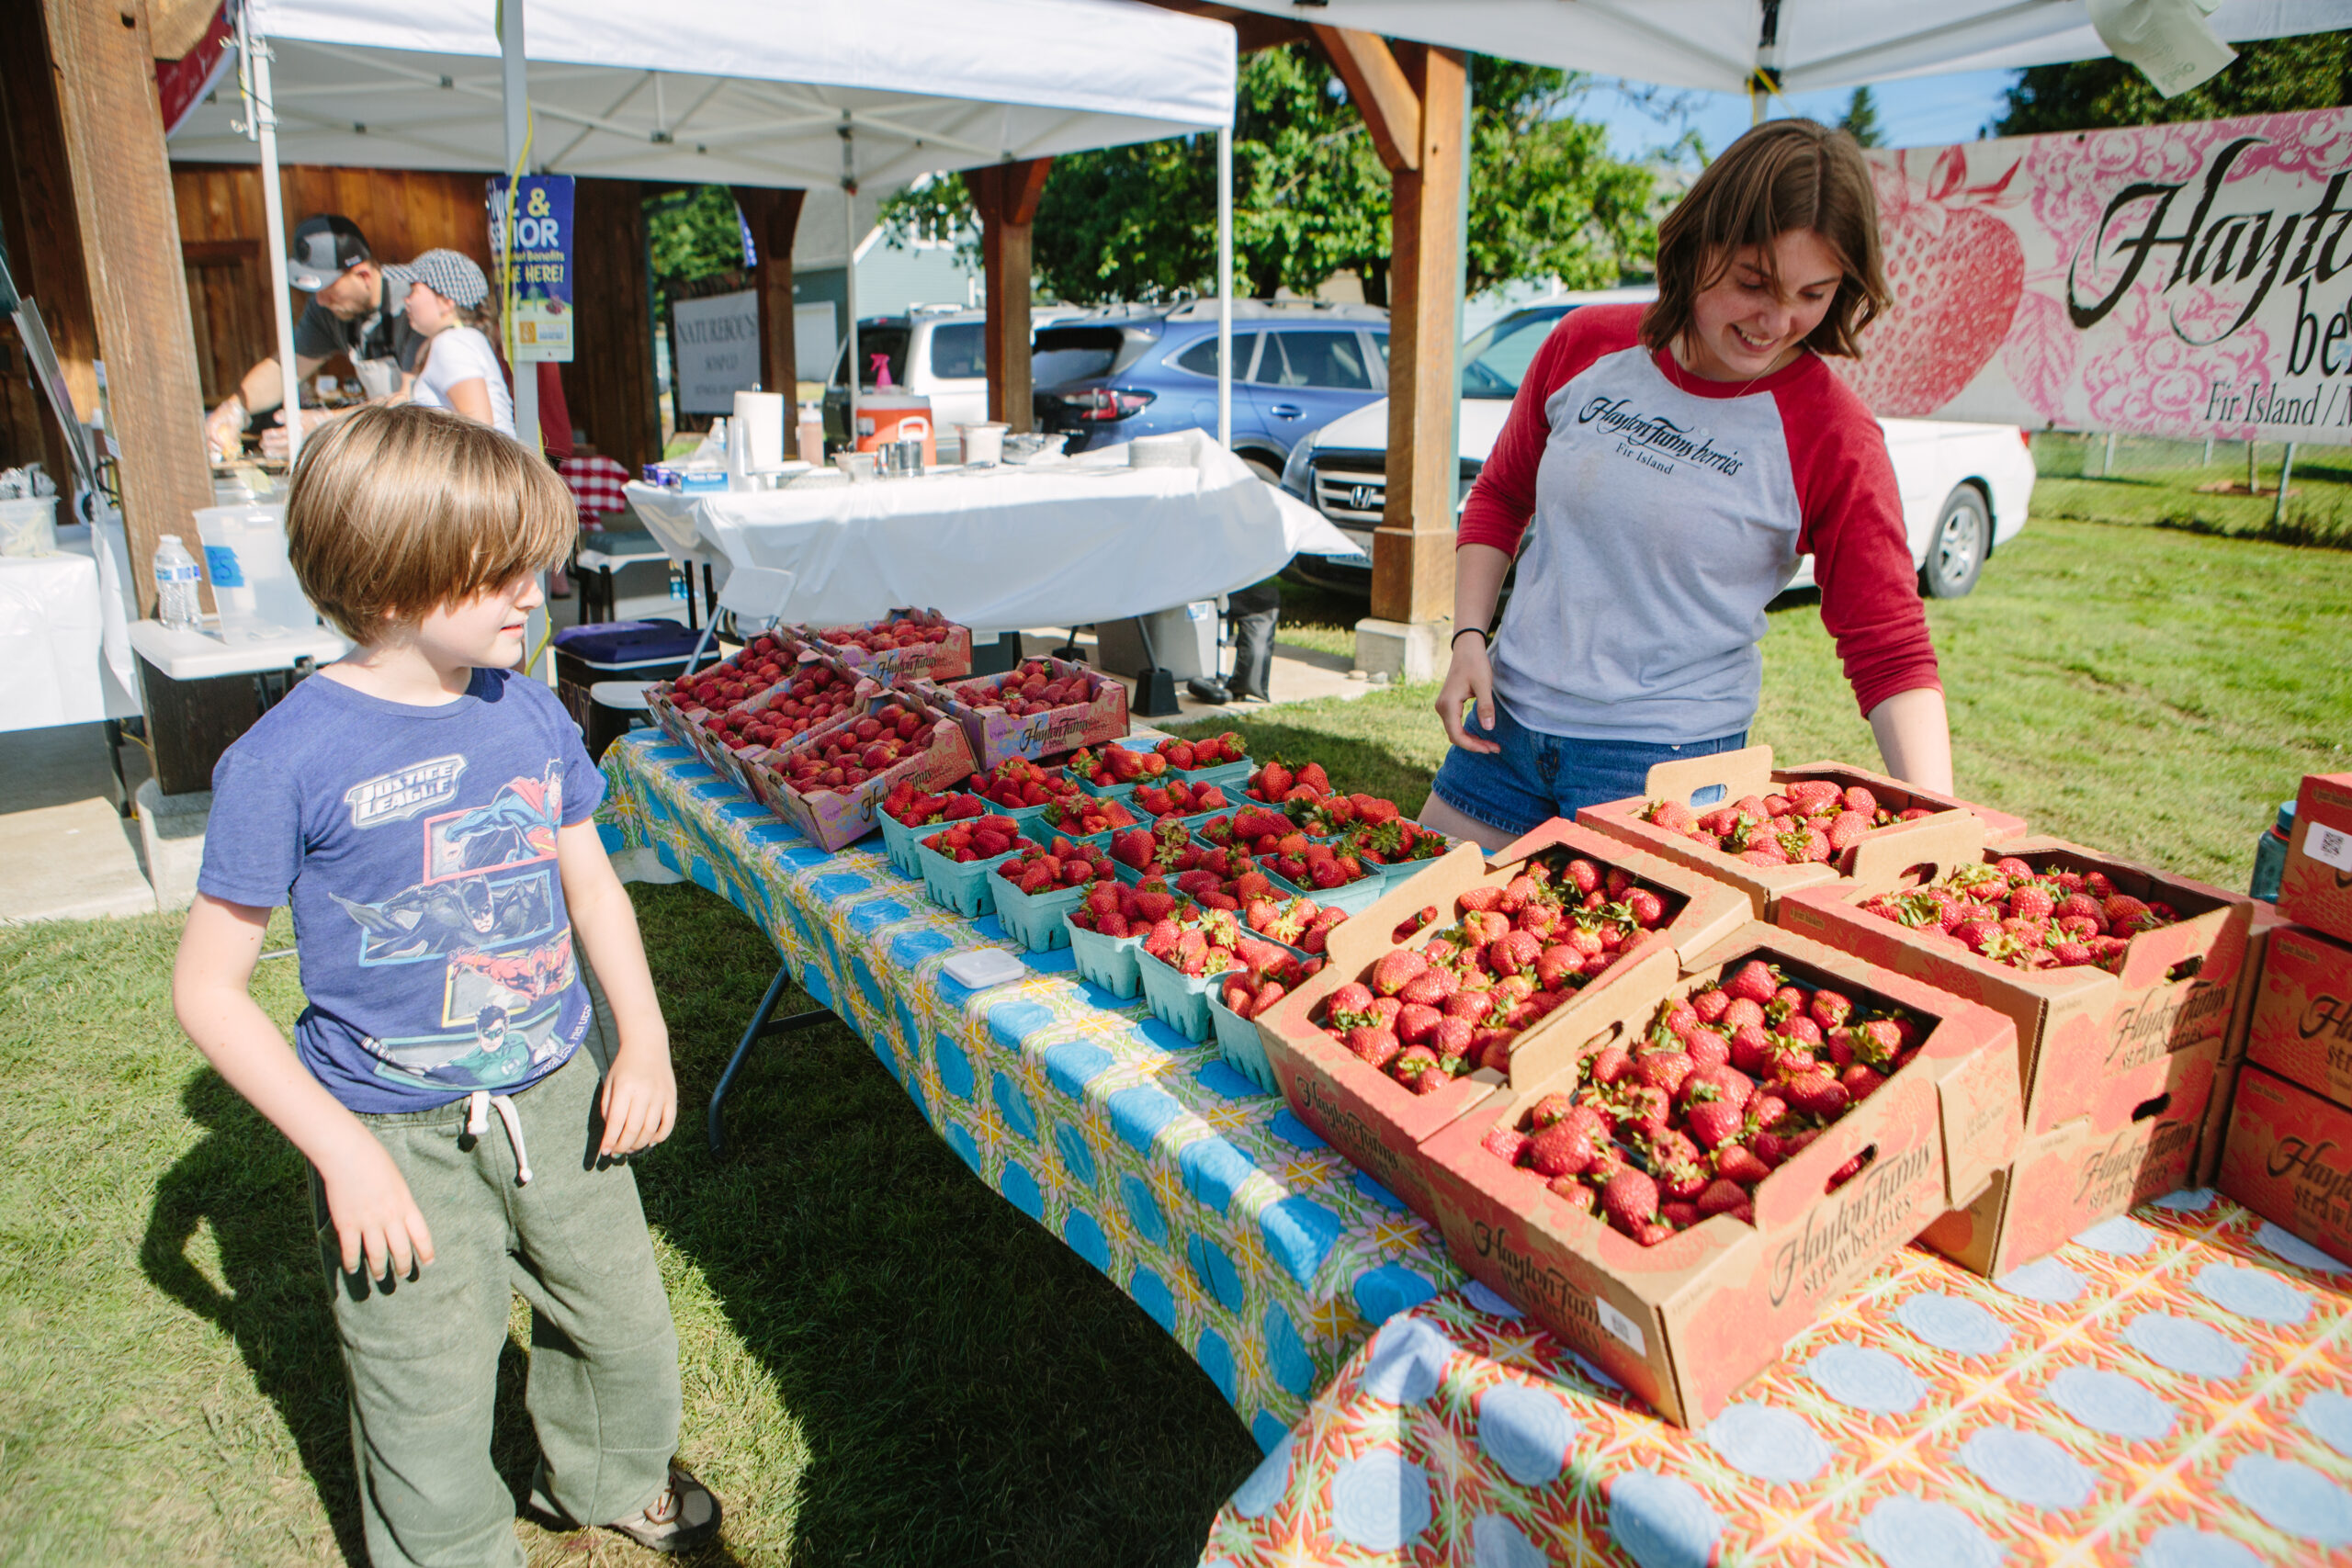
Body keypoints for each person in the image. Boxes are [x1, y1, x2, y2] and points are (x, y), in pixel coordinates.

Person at [170, 403, 721, 1563]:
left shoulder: (527, 709)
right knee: (423, 1389)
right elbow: (210, 992)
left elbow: (594, 893)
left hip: (559, 1097)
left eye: (538, 563)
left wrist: (645, 1041)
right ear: (390, 579)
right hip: (396, 1137)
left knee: (621, 1330)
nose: (538, 590)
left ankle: (612, 1477)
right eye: (502, 571)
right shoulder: (282, 761)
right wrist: (345, 1153)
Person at [1420, 118, 1952, 852]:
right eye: (1752, 283)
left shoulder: (1833, 431)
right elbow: (1503, 497)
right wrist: (1468, 637)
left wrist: (1942, 830)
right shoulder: (1585, 344)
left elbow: (1887, 646)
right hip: (1503, 732)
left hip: (1665, 766)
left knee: (1607, 967)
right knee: (1411, 928)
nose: (1776, 321)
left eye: (1812, 293)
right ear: (1698, 242)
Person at [202, 215, 424, 459]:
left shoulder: (415, 303)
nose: (320, 300)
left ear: (363, 276)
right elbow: (284, 369)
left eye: (329, 289)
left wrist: (323, 424)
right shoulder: (326, 310)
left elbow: (411, 401)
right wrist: (236, 407)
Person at [400, 249, 517, 438]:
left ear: (446, 301)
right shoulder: (461, 339)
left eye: (414, 290)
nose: (407, 300)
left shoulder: (451, 343)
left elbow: (481, 431)